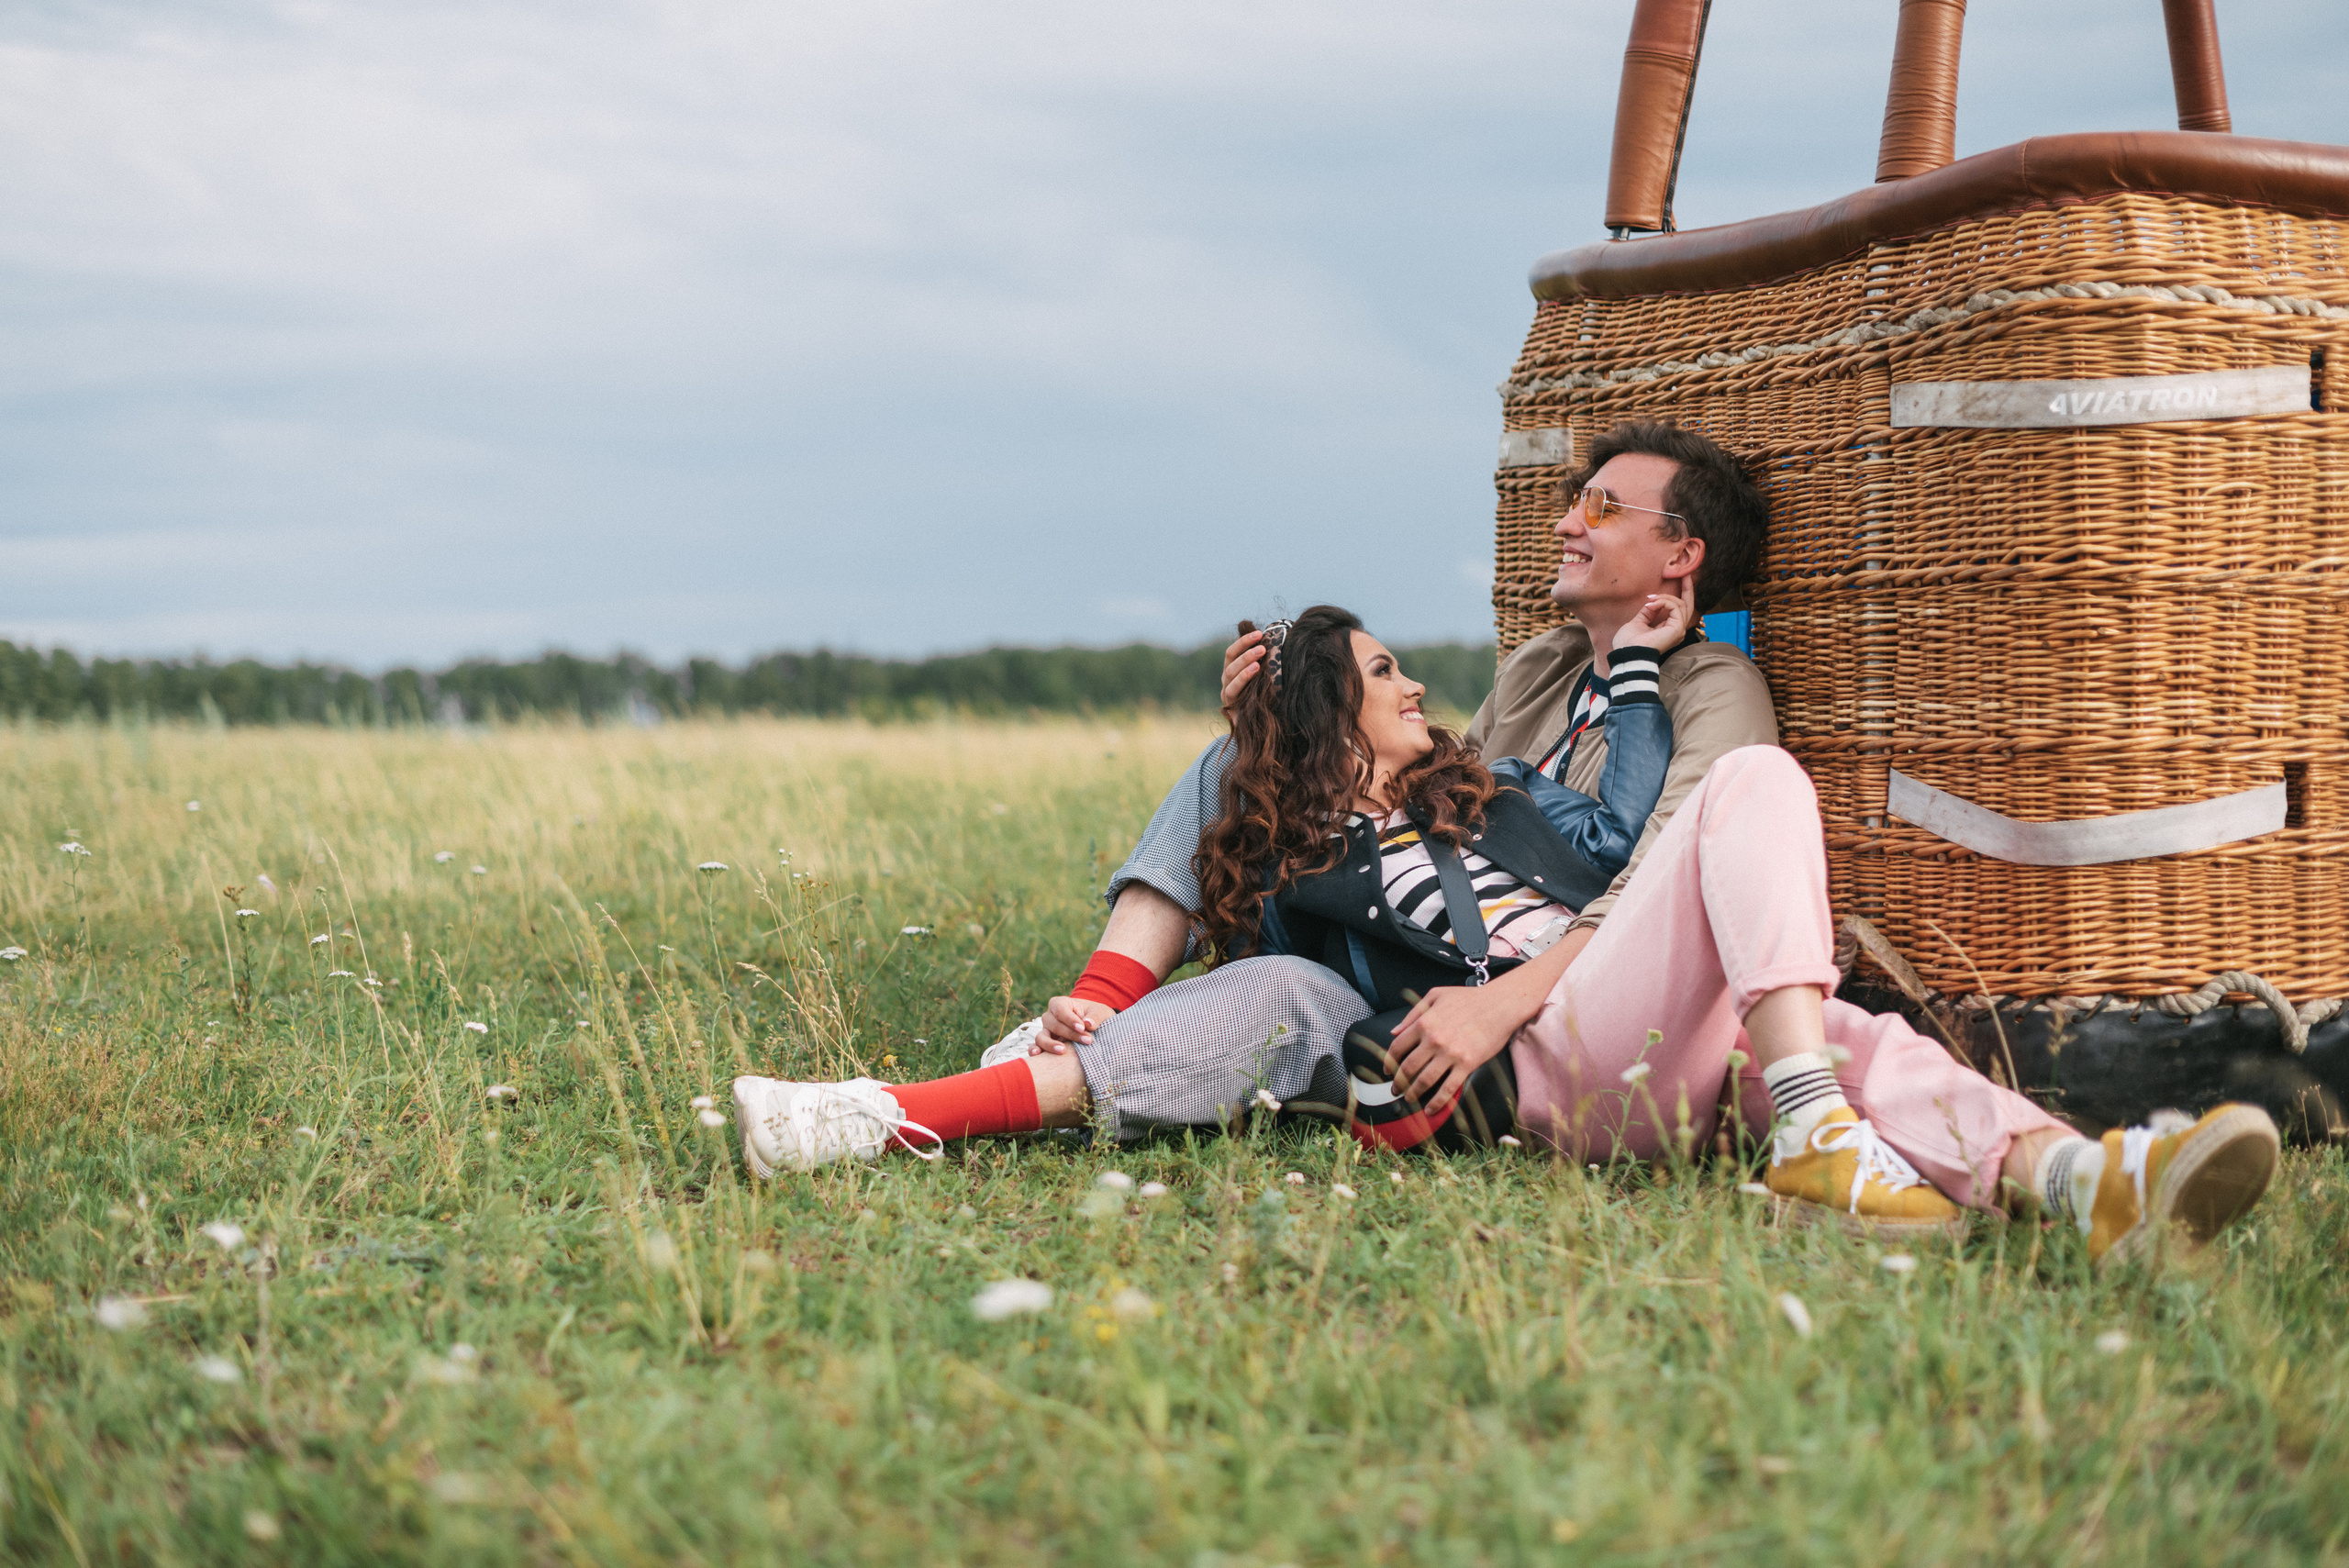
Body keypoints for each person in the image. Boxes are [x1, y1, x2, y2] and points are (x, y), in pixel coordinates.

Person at [737, 418, 2282, 1265]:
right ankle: (1071, 1012)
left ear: (1675, 552)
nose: (1567, 521)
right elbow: (1468, 823)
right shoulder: (1536, 676)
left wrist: (1503, 990)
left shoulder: (1717, 688)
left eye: (1600, 506)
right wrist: (1288, 727)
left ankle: (2087, 1185)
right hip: (1568, 1036)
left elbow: (1622, 856)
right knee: (1242, 771)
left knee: (1819, 930)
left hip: (1612, 1005)